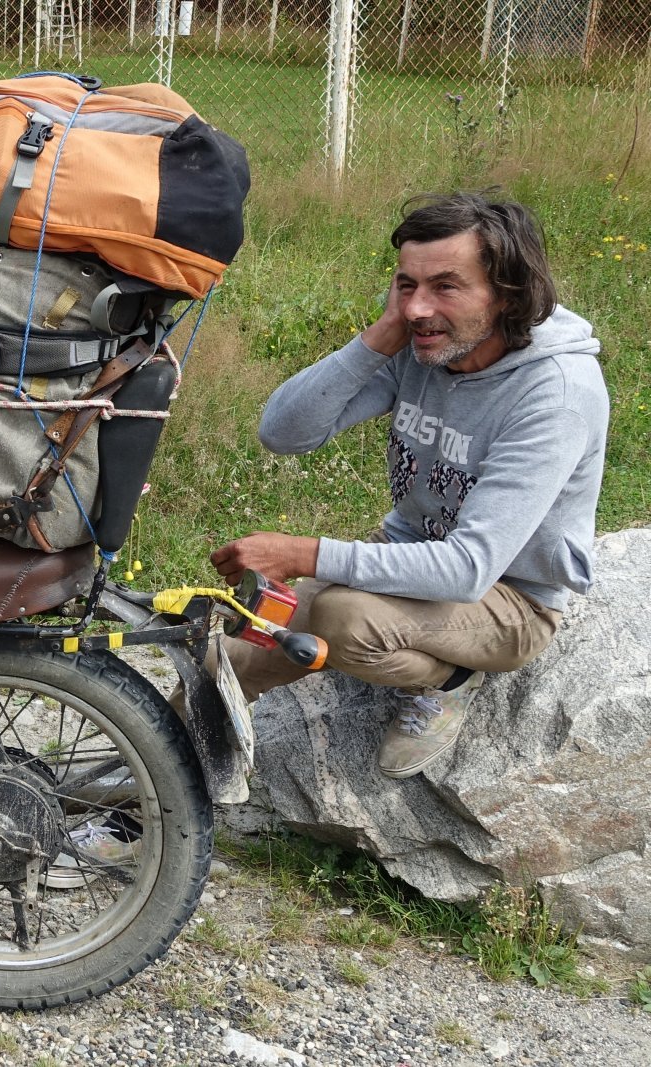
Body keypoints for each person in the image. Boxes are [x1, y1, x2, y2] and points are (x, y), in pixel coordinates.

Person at [208, 191, 608, 779]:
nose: (418, 308)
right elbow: (284, 433)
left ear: (507, 294)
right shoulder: (425, 344)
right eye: (406, 285)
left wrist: (304, 554)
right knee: (232, 653)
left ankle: (449, 680)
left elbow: (468, 569)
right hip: (409, 554)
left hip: (512, 597)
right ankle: (139, 784)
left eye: (446, 286)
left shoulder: (555, 394)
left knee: (344, 620)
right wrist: (378, 339)